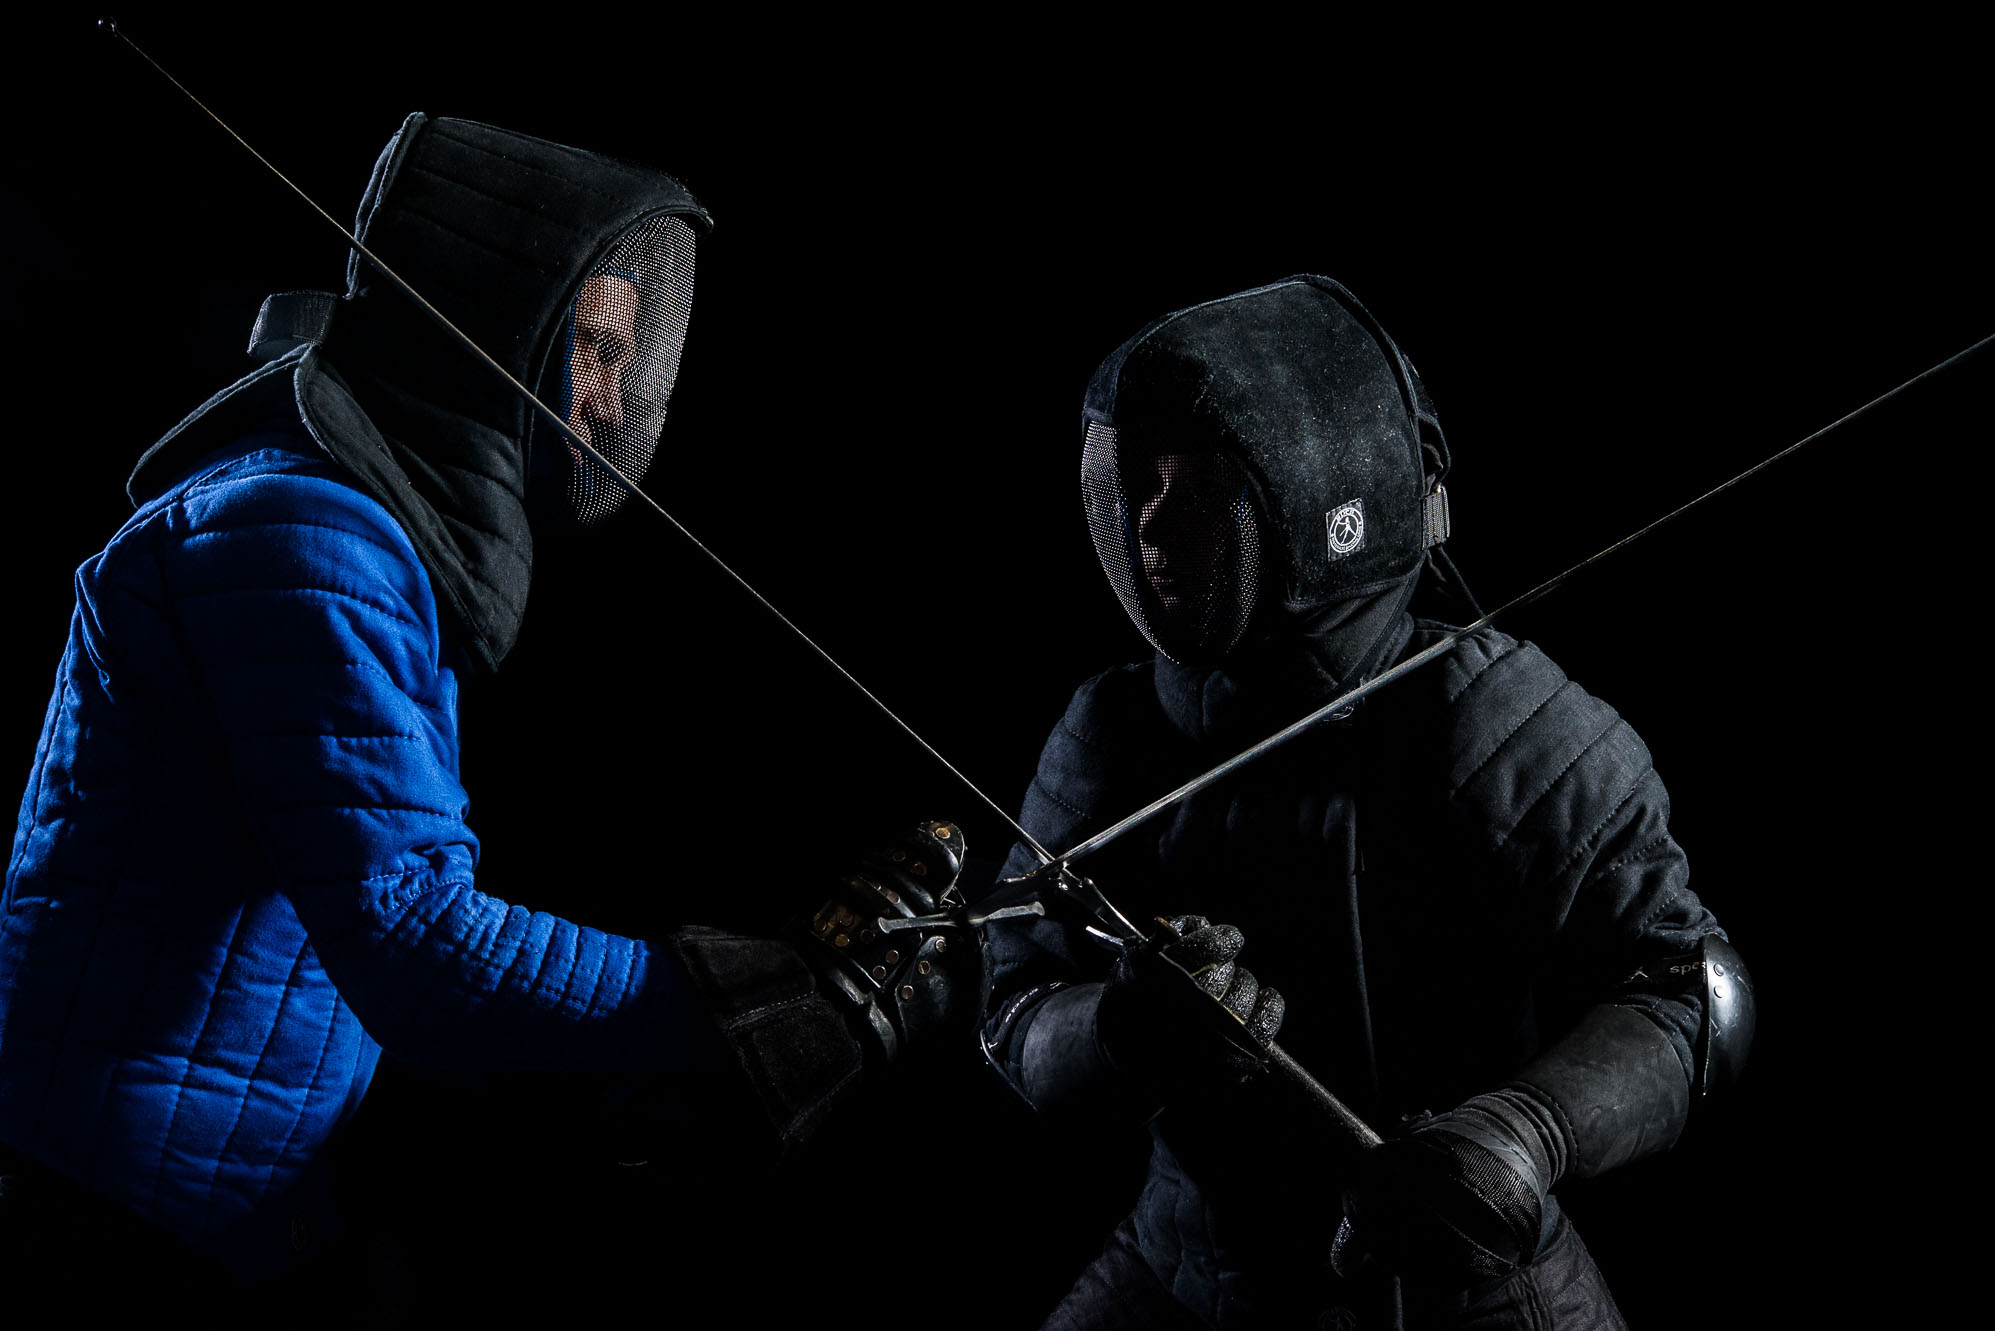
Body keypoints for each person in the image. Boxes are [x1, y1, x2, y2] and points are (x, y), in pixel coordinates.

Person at [0, 113, 978, 1310]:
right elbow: (418, 945)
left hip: (233, 1185)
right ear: (498, 323)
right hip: (135, 1217)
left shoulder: (348, 528)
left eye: (627, 357)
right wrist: (740, 1000)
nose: (610, 403)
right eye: (593, 349)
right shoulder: (298, 537)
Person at [980, 275, 1754, 1329]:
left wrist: (1525, 1132)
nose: (1148, 519)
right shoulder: (1112, 733)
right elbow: (1013, 1008)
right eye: (1135, 476)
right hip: (1190, 1271)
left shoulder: (1500, 726)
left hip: (1460, 1283)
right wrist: (1122, 1026)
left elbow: (1689, 990)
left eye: (1191, 480)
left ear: (1314, 491)